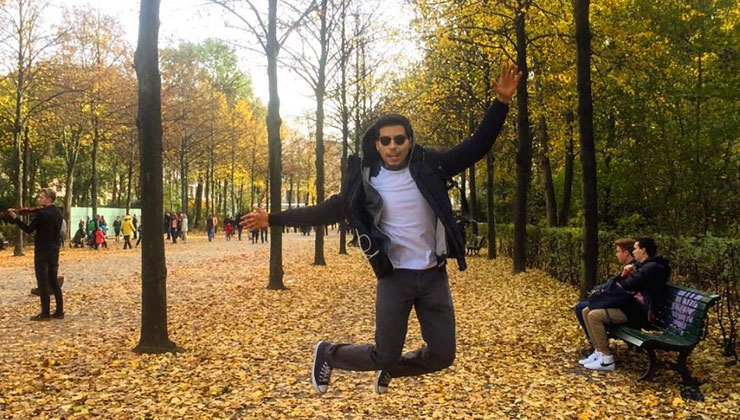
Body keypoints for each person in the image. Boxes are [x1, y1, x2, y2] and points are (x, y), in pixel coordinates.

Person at [243, 63, 521, 395]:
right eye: (385, 140)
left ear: (409, 141)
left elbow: (477, 146)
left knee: (443, 355)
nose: (392, 146)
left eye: (399, 140)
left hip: (433, 275)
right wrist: (273, 219)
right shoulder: (364, 181)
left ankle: (393, 370)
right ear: (377, 144)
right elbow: (327, 211)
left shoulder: (431, 166)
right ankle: (329, 353)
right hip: (395, 277)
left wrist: (501, 103)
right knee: (383, 352)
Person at [579, 237, 671, 371]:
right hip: (631, 307)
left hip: (641, 314)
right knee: (586, 310)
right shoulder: (644, 266)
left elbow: (628, 284)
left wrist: (626, 274)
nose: (633, 252)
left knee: (594, 315)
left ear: (643, 250)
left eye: (635, 248)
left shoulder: (652, 268)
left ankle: (607, 358)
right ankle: (598, 352)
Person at [7, 188, 64, 320]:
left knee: (42, 282)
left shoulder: (42, 214)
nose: (40, 199)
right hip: (54, 250)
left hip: (42, 251)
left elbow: (28, 229)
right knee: (54, 281)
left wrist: (16, 218)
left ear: (49, 199)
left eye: (42, 197)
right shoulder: (58, 213)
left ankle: (45, 313)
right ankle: (59, 311)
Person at [575, 238, 636, 357]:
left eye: (618, 251)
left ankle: (601, 350)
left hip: (625, 309)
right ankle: (597, 347)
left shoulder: (632, 270)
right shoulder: (628, 268)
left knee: (589, 311)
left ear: (626, 253)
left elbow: (620, 292)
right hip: (618, 303)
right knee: (583, 308)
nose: (616, 254)